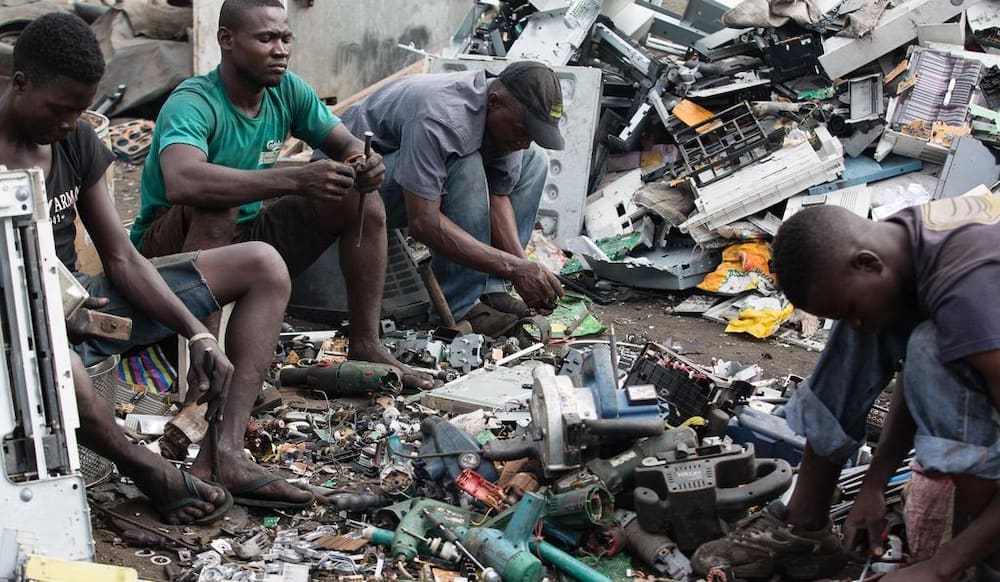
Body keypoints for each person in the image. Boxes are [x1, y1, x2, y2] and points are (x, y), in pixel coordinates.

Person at [5, 12, 315, 524]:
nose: (67, 124)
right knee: (63, 367)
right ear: (21, 83)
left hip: (84, 301)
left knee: (262, 265)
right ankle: (150, 471)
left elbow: (123, 258)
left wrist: (197, 335)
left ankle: (226, 455)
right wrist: (54, 318)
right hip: (17, 327)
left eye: (80, 110)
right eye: (60, 109)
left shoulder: (74, 141)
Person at [692, 199, 1000, 580]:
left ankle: (986, 562)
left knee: (919, 341)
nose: (856, 321)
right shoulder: (902, 245)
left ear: (868, 262)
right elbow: (915, 376)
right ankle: (805, 526)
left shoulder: (969, 290)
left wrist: (942, 566)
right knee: (867, 326)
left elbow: (930, 363)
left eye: (852, 308)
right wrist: (873, 484)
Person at [128, 0, 430, 389]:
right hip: (166, 254)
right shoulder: (194, 102)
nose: (281, 49)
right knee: (218, 206)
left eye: (286, 38)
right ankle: (204, 368)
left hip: (247, 234)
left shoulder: (286, 90)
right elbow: (183, 181)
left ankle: (366, 343)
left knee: (360, 198)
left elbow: (347, 143)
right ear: (227, 40)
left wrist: (364, 163)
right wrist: (296, 180)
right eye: (266, 38)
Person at [324, 61, 566, 334]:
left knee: (535, 161)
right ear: (495, 103)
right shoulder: (442, 116)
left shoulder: (502, 116)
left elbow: (498, 198)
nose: (524, 142)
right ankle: (460, 305)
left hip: (402, 174)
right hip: (344, 188)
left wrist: (523, 267)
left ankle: (490, 291)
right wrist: (514, 267)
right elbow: (423, 222)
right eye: (522, 131)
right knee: (465, 161)